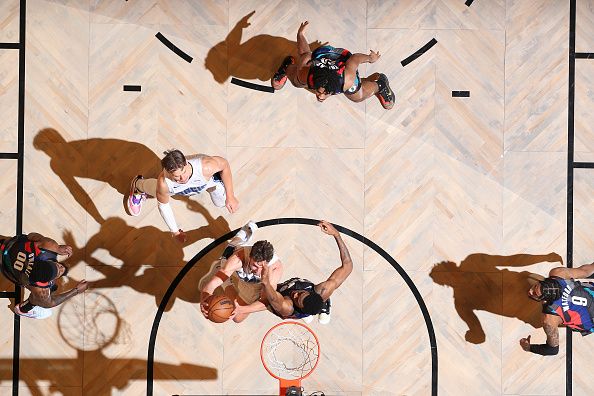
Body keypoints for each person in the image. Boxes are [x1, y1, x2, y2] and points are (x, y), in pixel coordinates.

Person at [271, 21, 395, 110]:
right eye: (320, 92)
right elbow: (305, 53)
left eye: (324, 93)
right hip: (323, 53)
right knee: (297, 81)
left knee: (358, 96)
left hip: (343, 57)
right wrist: (300, 34)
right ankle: (287, 66)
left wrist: (370, 58)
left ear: (336, 88)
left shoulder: (347, 80)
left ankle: (381, 84)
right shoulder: (306, 72)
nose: (320, 96)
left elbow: (354, 59)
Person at [127, 149, 239, 243]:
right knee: (158, 191)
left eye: (184, 172)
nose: (183, 178)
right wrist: (175, 231)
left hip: (209, 181)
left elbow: (224, 165)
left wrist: (231, 196)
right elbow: (164, 207)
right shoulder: (165, 183)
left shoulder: (207, 166)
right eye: (177, 177)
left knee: (221, 202)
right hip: (174, 189)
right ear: (168, 172)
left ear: (186, 163)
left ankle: (215, 190)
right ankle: (138, 185)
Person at [254, 220, 353, 325]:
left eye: (298, 300)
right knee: (329, 287)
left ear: (299, 306)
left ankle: (309, 314)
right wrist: (336, 234)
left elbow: (273, 299)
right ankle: (323, 304)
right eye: (302, 293)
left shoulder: (287, 306)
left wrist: (266, 283)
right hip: (307, 296)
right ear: (310, 292)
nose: (296, 294)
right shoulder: (322, 291)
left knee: (262, 297)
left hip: (276, 301)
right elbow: (348, 265)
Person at [200, 221, 284, 323]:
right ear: (250, 257)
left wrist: (241, 309)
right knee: (232, 248)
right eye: (255, 265)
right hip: (236, 259)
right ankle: (244, 232)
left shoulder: (275, 270)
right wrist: (204, 300)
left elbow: (267, 302)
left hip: (254, 284)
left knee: (237, 318)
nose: (257, 271)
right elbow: (212, 284)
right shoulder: (236, 259)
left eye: (262, 267)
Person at [0, 233, 88, 319]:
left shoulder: (49, 245)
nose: (61, 268)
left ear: (45, 261)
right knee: (42, 301)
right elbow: (50, 303)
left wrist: (58, 248)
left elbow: (31, 235)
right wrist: (76, 291)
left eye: (57, 265)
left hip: (6, 247)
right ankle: (23, 309)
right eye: (58, 273)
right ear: (46, 281)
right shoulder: (41, 290)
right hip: (6, 264)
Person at [520, 262, 594, 355]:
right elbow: (586, 271)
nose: (530, 291)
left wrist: (528, 347)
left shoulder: (548, 320)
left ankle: (564, 320)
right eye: (535, 287)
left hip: (591, 320)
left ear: (545, 300)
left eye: (535, 294)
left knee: (548, 322)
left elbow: (552, 350)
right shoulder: (559, 273)